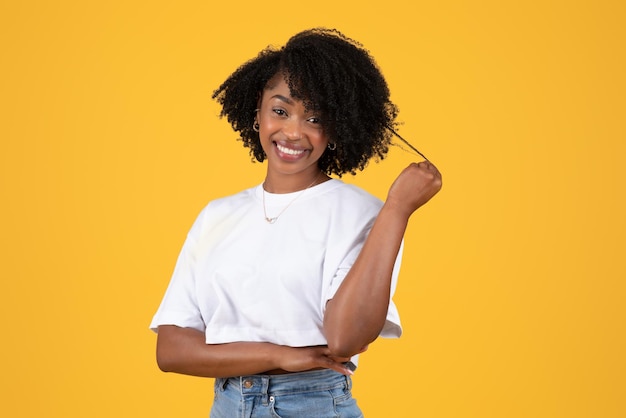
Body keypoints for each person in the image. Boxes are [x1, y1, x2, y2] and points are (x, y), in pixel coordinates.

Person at [150, 28, 442, 417]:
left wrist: (398, 209)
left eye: (315, 118)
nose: (292, 131)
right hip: (227, 405)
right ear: (258, 109)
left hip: (315, 404)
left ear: (337, 127)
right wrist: (280, 355)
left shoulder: (364, 214)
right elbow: (171, 350)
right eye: (280, 110)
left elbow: (344, 339)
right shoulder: (217, 216)